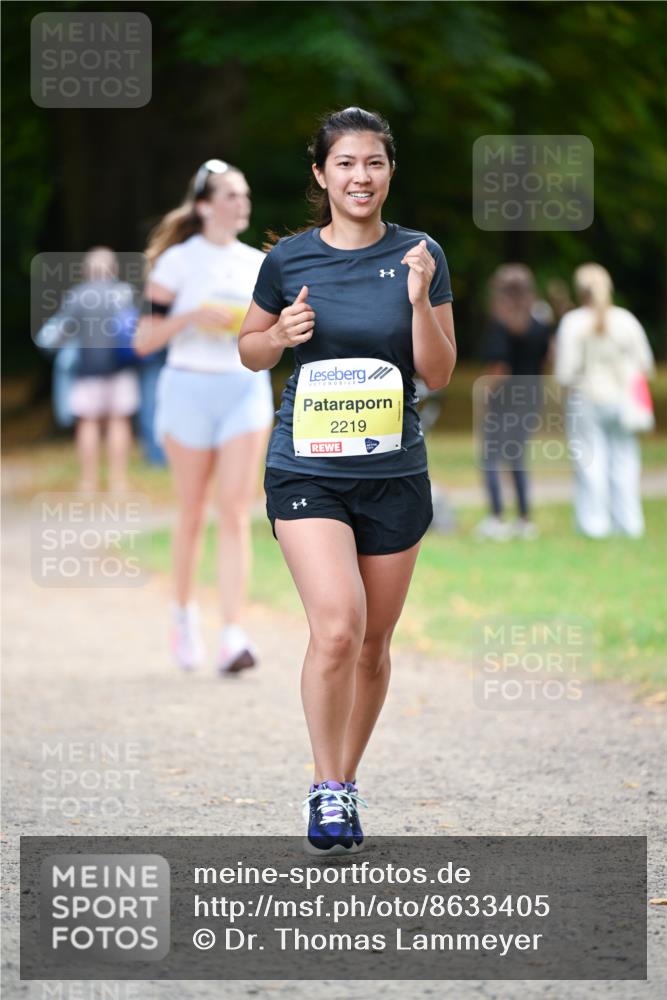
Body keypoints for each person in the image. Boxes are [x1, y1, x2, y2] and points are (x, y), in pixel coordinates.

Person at [238, 108, 456, 855]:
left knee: (372, 643)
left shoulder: (421, 254)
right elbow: (250, 351)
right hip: (307, 470)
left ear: (389, 171)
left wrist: (420, 300)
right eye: (345, 164)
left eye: (373, 163)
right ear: (320, 175)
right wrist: (278, 337)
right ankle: (325, 789)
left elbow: (438, 371)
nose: (359, 177)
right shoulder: (289, 261)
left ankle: (347, 783)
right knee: (336, 626)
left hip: (394, 474)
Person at [134, 160, 274, 673]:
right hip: (188, 389)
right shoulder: (176, 263)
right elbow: (144, 340)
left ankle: (233, 634)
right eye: (232, 195)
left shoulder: (258, 264)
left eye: (245, 194)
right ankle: (183, 615)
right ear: (204, 206)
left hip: (243, 390)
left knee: (235, 511)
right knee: (192, 511)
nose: (243, 203)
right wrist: (192, 317)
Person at [554, 263, 655, 538]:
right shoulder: (626, 320)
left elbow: (565, 372)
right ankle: (630, 524)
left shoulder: (574, 322)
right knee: (625, 462)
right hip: (624, 401)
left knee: (591, 464)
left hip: (586, 399)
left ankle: (594, 526)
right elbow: (645, 363)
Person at [475, 264, 551, 541]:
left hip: (504, 399)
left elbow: (499, 368)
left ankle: (496, 518)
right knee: (517, 457)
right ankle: (524, 518)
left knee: (489, 458)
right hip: (530, 395)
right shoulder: (540, 324)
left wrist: (485, 393)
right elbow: (547, 359)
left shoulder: (499, 324)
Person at [58, 247, 140, 493]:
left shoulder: (78, 295)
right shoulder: (124, 293)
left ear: (86, 270)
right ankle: (118, 481)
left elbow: (61, 332)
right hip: (121, 368)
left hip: (88, 369)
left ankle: (88, 482)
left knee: (88, 423)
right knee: (119, 421)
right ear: (112, 269)